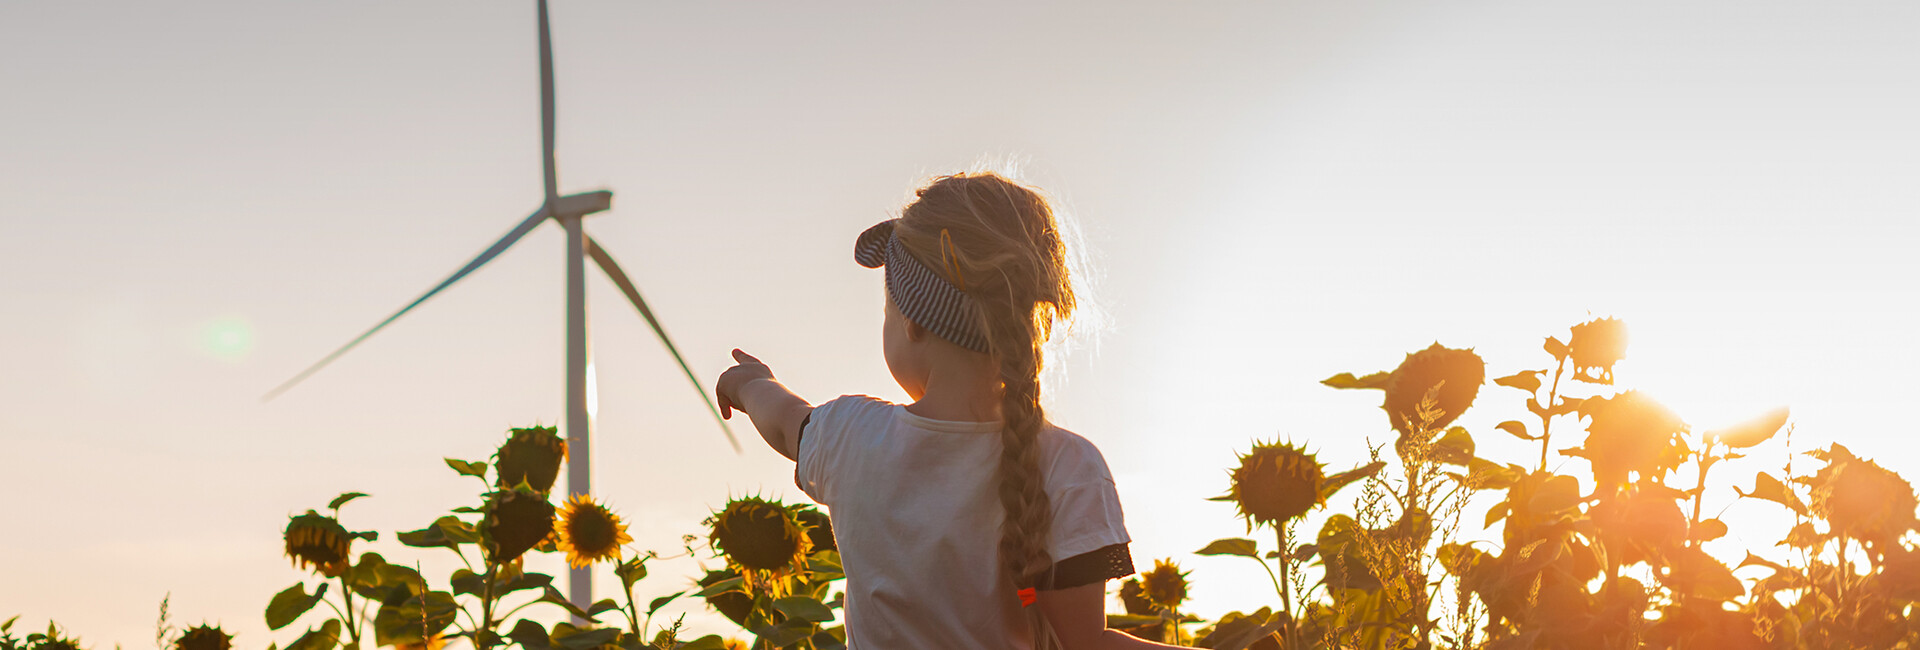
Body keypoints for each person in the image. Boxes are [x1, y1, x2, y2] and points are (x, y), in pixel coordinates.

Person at [715, 172, 1182, 649]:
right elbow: (1088, 643)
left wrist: (751, 384)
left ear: (914, 321)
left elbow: (785, 420)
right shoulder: (1069, 465)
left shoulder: (850, 436)